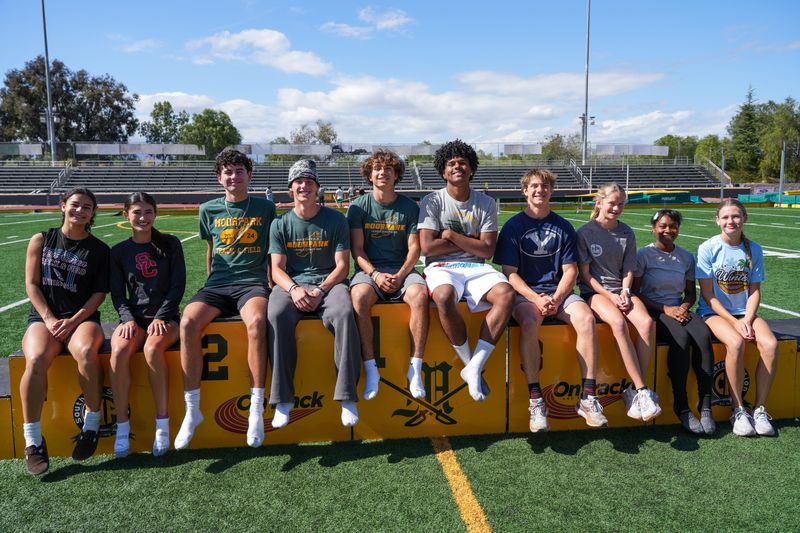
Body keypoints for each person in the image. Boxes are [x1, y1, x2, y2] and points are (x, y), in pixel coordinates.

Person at [175, 149, 276, 450]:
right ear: (220, 178)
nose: (234, 177)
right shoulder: (208, 209)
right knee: (188, 322)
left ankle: (256, 407)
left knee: (257, 323)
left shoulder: (265, 208)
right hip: (218, 283)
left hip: (251, 283)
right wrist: (210, 281)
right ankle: (192, 410)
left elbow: (272, 249)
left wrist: (270, 283)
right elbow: (210, 249)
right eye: (228, 172)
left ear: (249, 175)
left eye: (239, 171)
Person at [495, 169, 607, 431]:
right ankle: (536, 400)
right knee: (530, 322)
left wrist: (555, 299)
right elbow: (510, 273)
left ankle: (588, 397)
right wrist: (536, 298)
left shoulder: (563, 226)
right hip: (527, 295)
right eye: (534, 186)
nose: (539, 190)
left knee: (586, 318)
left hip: (559, 294)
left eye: (544, 186)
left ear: (551, 191)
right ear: (525, 191)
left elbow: (570, 270)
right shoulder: (513, 226)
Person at [20, 188, 110, 475]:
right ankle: (33, 440)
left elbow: (98, 294)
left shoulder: (99, 250)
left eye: (87, 207)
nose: (80, 211)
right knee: (34, 359)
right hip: (44, 318)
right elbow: (32, 284)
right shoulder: (41, 239)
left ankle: (92, 424)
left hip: (81, 319)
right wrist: (48, 318)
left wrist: (73, 322)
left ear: (93, 213)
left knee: (85, 352)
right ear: (62, 206)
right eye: (75, 205)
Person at [418, 139, 515, 402]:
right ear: (443, 171)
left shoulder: (485, 202)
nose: (457, 166)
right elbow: (427, 247)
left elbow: (486, 251)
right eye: (451, 163)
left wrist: (449, 234)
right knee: (443, 296)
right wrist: (469, 240)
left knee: (506, 294)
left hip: (476, 267)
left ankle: (474, 366)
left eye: (463, 162)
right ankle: (471, 367)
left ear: (471, 169)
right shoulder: (432, 201)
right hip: (441, 268)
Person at [268, 159, 361, 428]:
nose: (303, 186)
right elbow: (276, 270)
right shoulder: (280, 224)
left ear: (318, 188)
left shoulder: (335, 220)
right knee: (275, 314)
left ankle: (347, 396)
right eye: (298, 182)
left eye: (309, 181)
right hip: (292, 285)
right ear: (290, 189)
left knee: (344, 313)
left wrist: (320, 290)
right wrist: (295, 289)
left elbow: (343, 266)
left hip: (328, 284)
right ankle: (283, 398)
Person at [109, 192, 186, 457]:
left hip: (166, 316)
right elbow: (117, 294)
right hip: (135, 317)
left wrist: (162, 316)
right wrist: (127, 319)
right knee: (118, 351)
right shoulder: (119, 251)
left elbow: (178, 287)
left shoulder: (170, 244)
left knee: (153, 349)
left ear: (155, 213)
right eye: (137, 212)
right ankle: (122, 425)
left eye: (148, 212)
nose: (143, 218)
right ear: (126, 215)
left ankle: (162, 426)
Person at [348, 149, 429, 400]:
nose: (383, 173)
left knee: (420, 295)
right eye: (377, 169)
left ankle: (415, 368)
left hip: (401, 268)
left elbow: (414, 248)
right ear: (370, 175)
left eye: (388, 169)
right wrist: (375, 275)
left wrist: (402, 274)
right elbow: (357, 250)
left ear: (396, 175)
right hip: (370, 270)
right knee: (359, 296)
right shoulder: (358, 206)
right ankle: (371, 368)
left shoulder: (408, 206)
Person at [577, 182, 661, 421]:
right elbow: (586, 275)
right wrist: (611, 296)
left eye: (621, 204)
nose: (616, 208)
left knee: (646, 324)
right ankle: (643, 389)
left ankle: (634, 392)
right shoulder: (585, 232)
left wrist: (624, 291)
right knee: (618, 323)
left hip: (621, 290)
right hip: (595, 293)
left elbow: (628, 269)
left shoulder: (626, 232)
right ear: (599, 202)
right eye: (612, 203)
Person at [696, 199, 778, 437]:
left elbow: (754, 291)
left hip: (745, 312)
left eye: (735, 216)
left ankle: (760, 409)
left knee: (771, 345)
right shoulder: (708, 248)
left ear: (744, 218)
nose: (730, 221)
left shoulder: (755, 249)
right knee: (735, 342)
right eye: (725, 217)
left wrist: (748, 319)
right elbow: (709, 295)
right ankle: (738, 409)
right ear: (717, 220)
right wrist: (735, 323)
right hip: (714, 313)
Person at [633, 209, 715, 434]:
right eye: (663, 226)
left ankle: (706, 405)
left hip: (679, 309)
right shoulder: (643, 255)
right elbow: (635, 292)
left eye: (673, 226)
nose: (668, 230)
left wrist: (683, 307)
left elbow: (690, 293)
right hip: (655, 311)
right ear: (653, 228)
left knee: (703, 336)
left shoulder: (686, 256)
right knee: (680, 339)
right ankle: (682, 407)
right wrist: (665, 309)